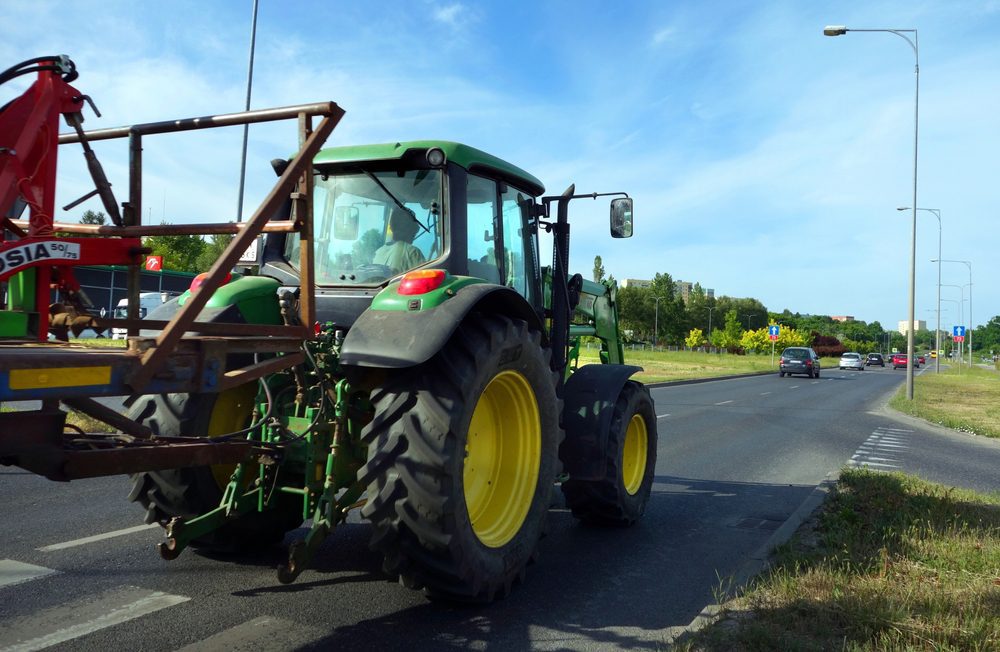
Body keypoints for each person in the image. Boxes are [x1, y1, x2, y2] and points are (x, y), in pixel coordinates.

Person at [373, 207, 425, 274]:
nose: (415, 233)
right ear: (411, 229)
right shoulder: (412, 252)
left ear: (392, 227)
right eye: (415, 228)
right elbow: (424, 281)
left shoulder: (378, 252)